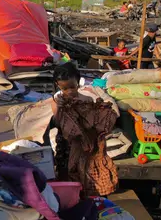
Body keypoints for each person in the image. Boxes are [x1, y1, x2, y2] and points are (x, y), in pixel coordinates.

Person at [49, 62, 118, 196]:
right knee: (69, 173)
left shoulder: (86, 99)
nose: (69, 91)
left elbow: (93, 120)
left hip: (87, 145)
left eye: (72, 87)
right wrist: (60, 108)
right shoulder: (56, 102)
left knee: (88, 173)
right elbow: (58, 122)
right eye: (64, 88)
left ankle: (89, 197)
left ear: (78, 83)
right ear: (58, 86)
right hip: (67, 145)